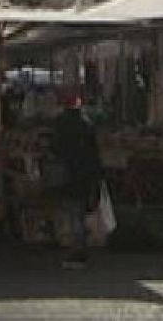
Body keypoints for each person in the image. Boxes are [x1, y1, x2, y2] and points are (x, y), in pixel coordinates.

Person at [48, 88, 103, 269]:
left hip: (67, 172)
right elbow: (94, 151)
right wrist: (97, 174)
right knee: (78, 211)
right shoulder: (86, 123)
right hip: (84, 173)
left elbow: (55, 147)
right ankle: (79, 247)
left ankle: (77, 250)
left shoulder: (61, 123)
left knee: (74, 212)